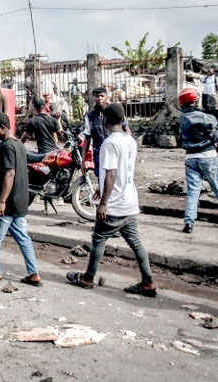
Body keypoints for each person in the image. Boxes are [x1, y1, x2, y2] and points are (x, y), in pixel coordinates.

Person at [66, 103, 157, 297]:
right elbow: (122, 171)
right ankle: (148, 282)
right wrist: (102, 189)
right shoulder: (130, 140)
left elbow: (111, 174)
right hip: (130, 201)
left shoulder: (109, 143)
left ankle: (88, 278)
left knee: (99, 239)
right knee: (135, 242)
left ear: (104, 120)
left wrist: (104, 202)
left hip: (114, 204)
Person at [0, 113, 41, 285]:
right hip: (19, 201)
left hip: (7, 203)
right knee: (23, 238)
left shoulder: (6, 148)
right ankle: (33, 273)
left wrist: (1, 200)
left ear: (3, 128)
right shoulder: (18, 144)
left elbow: (10, 174)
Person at [178, 88, 218, 233]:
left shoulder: (182, 118)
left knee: (193, 192)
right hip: (208, 156)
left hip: (190, 158)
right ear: (195, 100)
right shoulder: (206, 117)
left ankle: (189, 221)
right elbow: (216, 137)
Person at [81, 88, 131, 178]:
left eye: (102, 96)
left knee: (118, 179)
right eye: (97, 96)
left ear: (107, 97)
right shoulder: (90, 117)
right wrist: (83, 161)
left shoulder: (114, 112)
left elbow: (127, 131)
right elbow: (87, 140)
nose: (99, 98)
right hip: (100, 156)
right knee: (102, 181)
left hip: (116, 152)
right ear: (94, 98)